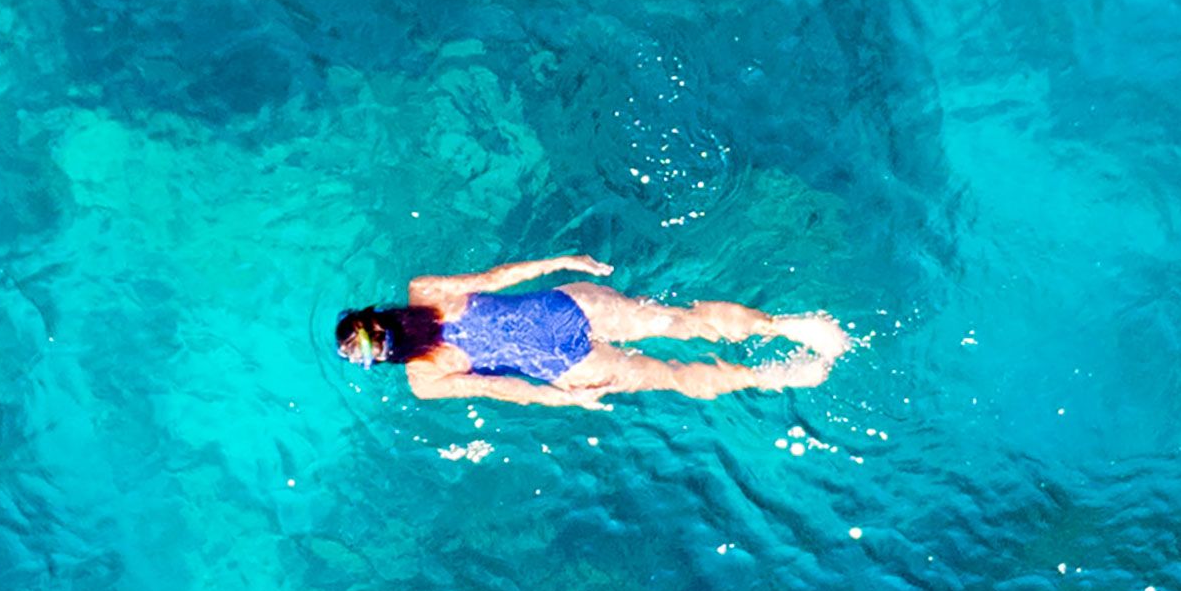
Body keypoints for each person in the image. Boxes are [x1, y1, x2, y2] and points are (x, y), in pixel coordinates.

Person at [334, 256, 848, 408]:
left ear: (378, 358)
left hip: (568, 367)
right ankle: (787, 326)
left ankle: (770, 376)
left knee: (671, 376)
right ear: (375, 313)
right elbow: (496, 278)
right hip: (574, 306)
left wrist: (568, 403)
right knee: (683, 322)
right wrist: (560, 260)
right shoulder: (426, 290)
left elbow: (502, 387)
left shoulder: (423, 379)